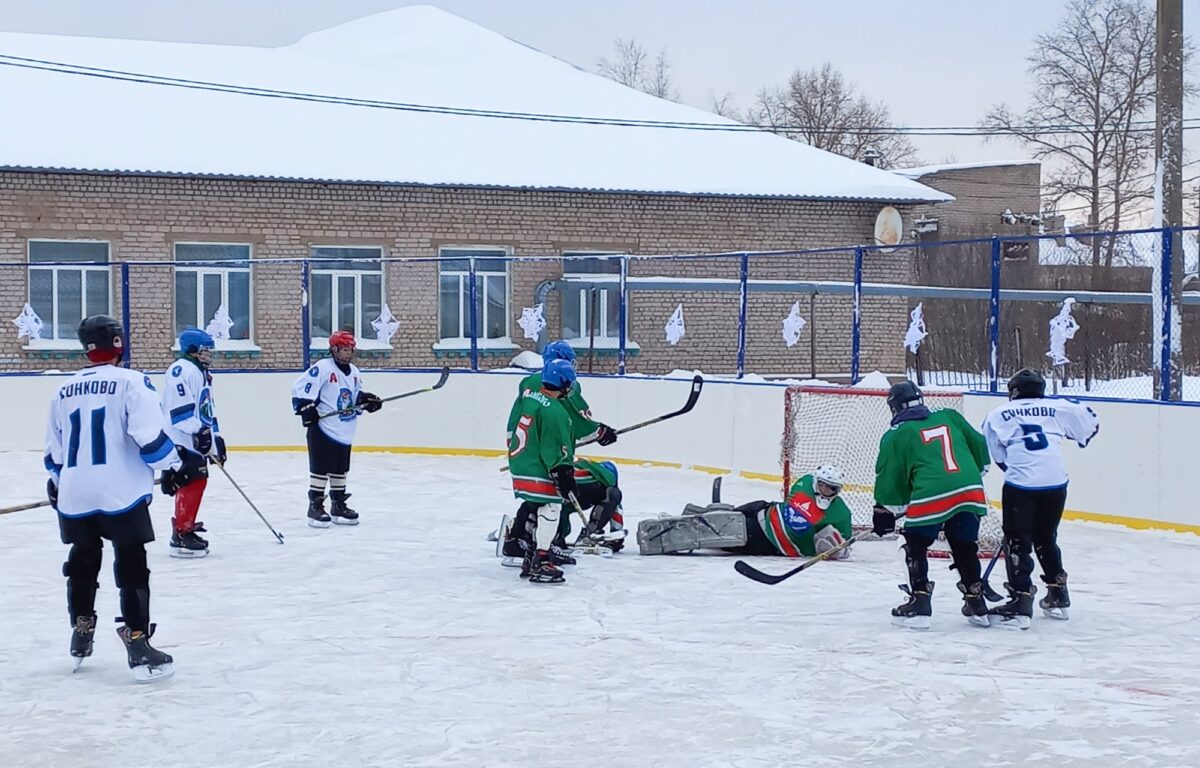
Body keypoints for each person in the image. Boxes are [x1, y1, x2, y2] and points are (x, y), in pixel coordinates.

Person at [45, 315, 201, 681]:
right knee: (131, 564)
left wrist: (57, 483)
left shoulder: (63, 389)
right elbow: (149, 438)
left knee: (82, 560)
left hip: (75, 494)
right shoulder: (132, 382)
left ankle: (81, 630)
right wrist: (176, 464)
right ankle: (137, 640)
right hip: (121, 492)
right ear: (118, 343)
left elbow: (54, 454)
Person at [981, 369, 1099, 628]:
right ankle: (1057, 593)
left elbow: (997, 455)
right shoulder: (1058, 407)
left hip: (1021, 483)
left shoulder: (998, 414)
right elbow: (1090, 422)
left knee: (1017, 541)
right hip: (1057, 482)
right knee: (1046, 537)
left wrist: (1018, 468)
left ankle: (1021, 600)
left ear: (1013, 391)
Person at [872, 381, 992, 630]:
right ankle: (976, 602)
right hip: (970, 489)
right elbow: (979, 446)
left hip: (933, 493)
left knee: (912, 542)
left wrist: (884, 510)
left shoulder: (898, 434)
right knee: (963, 544)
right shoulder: (950, 416)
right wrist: (968, 476)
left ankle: (919, 603)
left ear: (894, 407)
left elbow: (890, 475)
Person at [637, 466, 852, 559]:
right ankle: (683, 519)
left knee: (718, 531)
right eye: (822, 485)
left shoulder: (842, 514)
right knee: (720, 516)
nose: (825, 490)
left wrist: (834, 547)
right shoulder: (804, 482)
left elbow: (845, 543)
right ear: (816, 481)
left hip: (768, 540)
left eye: (831, 488)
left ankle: (662, 537)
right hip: (763, 509)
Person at [291, 331, 383, 528]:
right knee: (320, 469)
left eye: (349, 349)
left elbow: (354, 398)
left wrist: (366, 401)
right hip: (323, 428)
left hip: (345, 430)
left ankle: (338, 505)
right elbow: (300, 388)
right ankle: (315, 506)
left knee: (340, 469)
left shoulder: (355, 372)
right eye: (343, 349)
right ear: (333, 349)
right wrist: (306, 408)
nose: (347, 353)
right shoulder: (323, 367)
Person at [506, 358, 578, 584]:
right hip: (536, 468)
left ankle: (529, 555)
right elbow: (552, 449)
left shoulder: (531, 397)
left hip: (521, 463)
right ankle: (542, 560)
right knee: (551, 507)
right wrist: (562, 471)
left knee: (535, 505)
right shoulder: (556, 412)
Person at [162, 327, 225, 558]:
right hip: (181, 438)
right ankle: (181, 532)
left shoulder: (201, 372)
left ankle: (184, 526)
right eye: (205, 350)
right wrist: (200, 432)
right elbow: (180, 414)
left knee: (197, 481)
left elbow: (206, 408)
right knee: (192, 481)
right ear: (191, 350)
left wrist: (216, 439)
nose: (209, 354)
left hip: (195, 438)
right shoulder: (181, 370)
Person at [506, 340, 617, 448]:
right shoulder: (562, 384)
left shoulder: (528, 382)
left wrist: (511, 437)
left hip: (523, 450)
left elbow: (517, 411)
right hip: (550, 451)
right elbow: (576, 418)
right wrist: (599, 432)